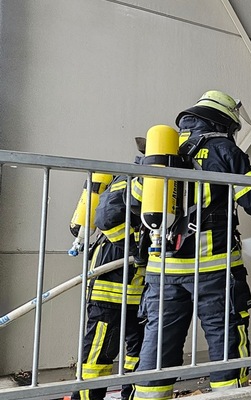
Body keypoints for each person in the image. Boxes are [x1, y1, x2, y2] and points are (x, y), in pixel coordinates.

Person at [132, 90, 251, 400]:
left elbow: (133, 205)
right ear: (224, 122)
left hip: (162, 270)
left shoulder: (162, 153)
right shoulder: (223, 150)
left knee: (159, 344)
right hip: (212, 268)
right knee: (226, 340)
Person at [71, 147, 148, 400]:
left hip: (139, 290)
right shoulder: (129, 179)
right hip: (112, 287)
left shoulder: (157, 185)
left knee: (139, 351)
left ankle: (132, 396)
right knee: (99, 354)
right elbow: (106, 219)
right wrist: (138, 246)